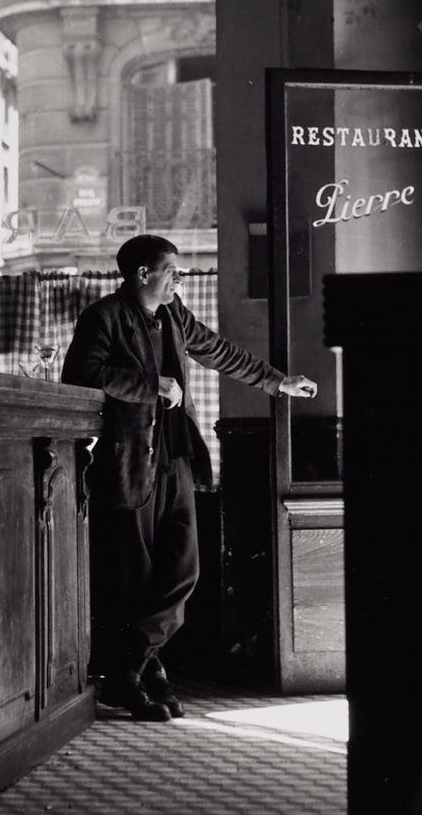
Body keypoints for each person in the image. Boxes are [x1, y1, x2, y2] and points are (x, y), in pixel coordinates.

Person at [61, 233, 317, 721]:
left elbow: (219, 351)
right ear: (143, 274)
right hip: (129, 463)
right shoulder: (103, 318)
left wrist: (278, 382)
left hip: (176, 460)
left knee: (183, 571)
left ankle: (126, 668)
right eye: (172, 269)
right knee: (134, 581)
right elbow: (81, 376)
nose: (180, 277)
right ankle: (142, 677)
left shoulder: (176, 316)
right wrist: (149, 385)